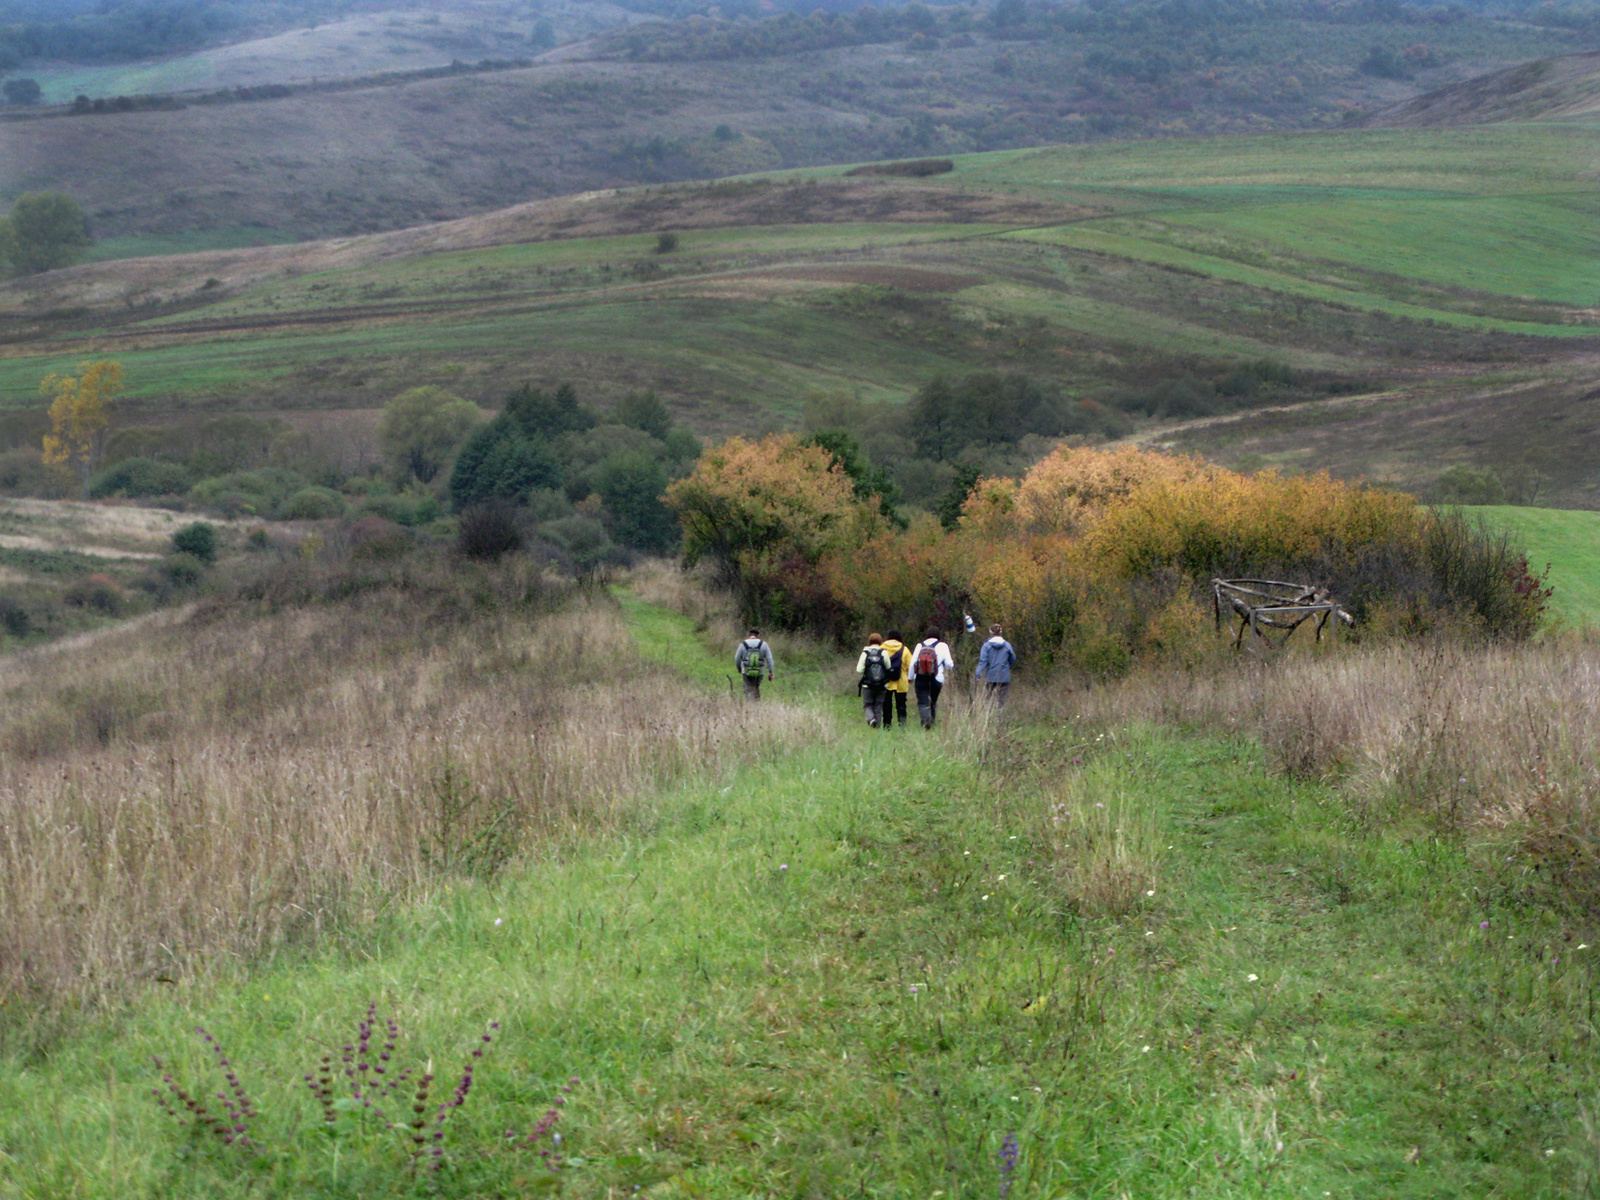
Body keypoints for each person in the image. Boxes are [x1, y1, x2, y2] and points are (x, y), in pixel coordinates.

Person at [908, 629, 956, 729]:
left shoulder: (919, 645)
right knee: (933, 701)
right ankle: (931, 721)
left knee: (922, 701)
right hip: (937, 678)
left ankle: (926, 721)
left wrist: (910, 677)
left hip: (920, 677)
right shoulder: (943, 646)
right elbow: (949, 664)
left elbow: (912, 663)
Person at [974, 623, 1016, 708]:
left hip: (990, 677)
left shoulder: (986, 646)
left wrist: (978, 673)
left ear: (991, 633)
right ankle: (999, 718)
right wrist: (1006, 665)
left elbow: (983, 661)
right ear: (1001, 632)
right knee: (1001, 701)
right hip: (1004, 677)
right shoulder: (1007, 645)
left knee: (989, 700)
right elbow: (1013, 658)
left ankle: (990, 718)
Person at [855, 632, 890, 727]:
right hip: (882, 684)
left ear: (869, 642)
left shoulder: (865, 653)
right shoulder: (884, 653)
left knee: (867, 705)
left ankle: (871, 719)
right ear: (880, 642)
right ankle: (877, 726)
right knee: (878, 706)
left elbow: (859, 670)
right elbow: (888, 667)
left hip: (868, 685)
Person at [879, 629, 910, 729]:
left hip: (885, 681)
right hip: (901, 681)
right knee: (901, 705)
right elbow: (910, 665)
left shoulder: (881, 649)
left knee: (886, 705)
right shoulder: (904, 649)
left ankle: (887, 726)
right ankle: (902, 726)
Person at [735, 628, 774, 701]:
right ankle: (756, 704)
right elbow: (769, 659)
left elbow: (737, 658)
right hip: (760, 671)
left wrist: (739, 668)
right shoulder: (763, 644)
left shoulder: (743, 644)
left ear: (749, 635)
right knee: (756, 687)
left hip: (746, 670)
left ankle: (750, 705)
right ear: (758, 636)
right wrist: (771, 672)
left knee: (748, 688)